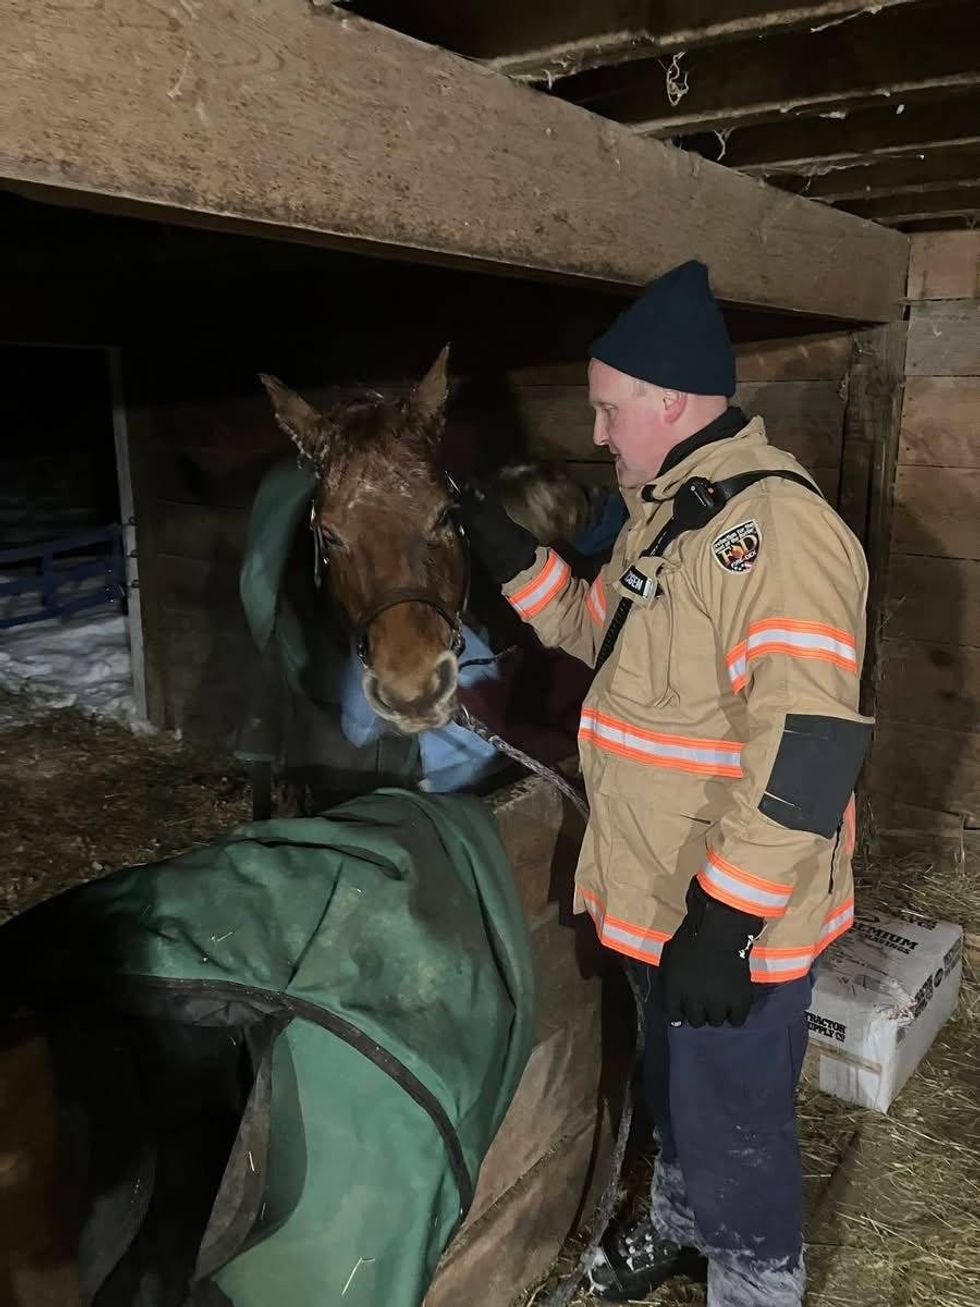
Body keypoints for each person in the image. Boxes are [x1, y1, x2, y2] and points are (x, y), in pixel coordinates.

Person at [454, 260, 872, 1307]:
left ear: (668, 402)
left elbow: (809, 742)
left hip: (731, 914)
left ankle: (755, 1285)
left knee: (736, 1118)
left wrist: (727, 918)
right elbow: (600, 635)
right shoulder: (669, 513)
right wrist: (511, 559)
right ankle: (682, 1230)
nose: (595, 433)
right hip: (653, 893)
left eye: (605, 410)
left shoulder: (775, 536)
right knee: (675, 1096)